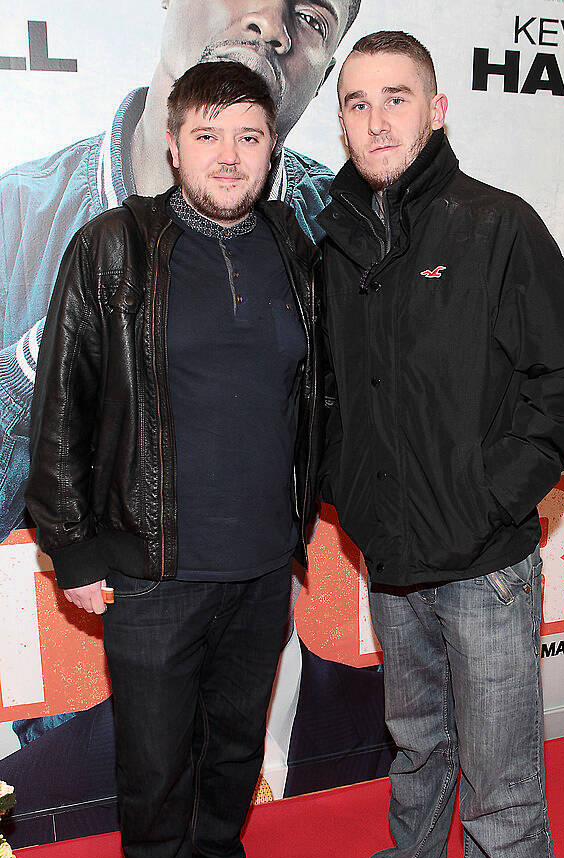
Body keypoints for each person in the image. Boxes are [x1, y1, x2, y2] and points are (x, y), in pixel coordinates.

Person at [26, 60, 323, 858]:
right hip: (151, 569)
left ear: (271, 146)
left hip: (261, 561)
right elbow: (59, 405)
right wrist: (72, 550)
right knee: (154, 760)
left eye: (248, 136)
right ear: (173, 141)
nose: (228, 156)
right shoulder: (113, 247)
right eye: (209, 135)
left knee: (234, 745)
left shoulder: (292, 245)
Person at [317, 31, 564, 858]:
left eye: (398, 98)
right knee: (415, 736)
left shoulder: (497, 225)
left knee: (504, 777)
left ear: (437, 109)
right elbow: (328, 394)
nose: (378, 119)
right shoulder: (336, 237)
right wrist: (344, 488)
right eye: (358, 102)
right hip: (388, 553)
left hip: (482, 560)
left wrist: (500, 490)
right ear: (341, 118)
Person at [0, 0, 361, 541]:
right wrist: (41, 366)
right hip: (129, 594)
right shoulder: (17, 216)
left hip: (254, 576)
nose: (272, 25)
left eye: (312, 18)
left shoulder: (341, 237)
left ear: (323, 76)